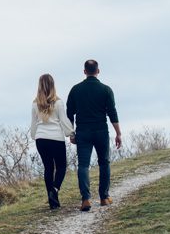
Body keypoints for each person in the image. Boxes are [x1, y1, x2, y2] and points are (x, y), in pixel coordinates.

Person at [66, 59, 121, 211]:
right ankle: (104, 197)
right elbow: (112, 113)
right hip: (101, 131)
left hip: (83, 132)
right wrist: (118, 133)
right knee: (104, 163)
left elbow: (69, 114)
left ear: (84, 71)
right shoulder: (106, 90)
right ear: (98, 71)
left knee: (83, 165)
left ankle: (86, 199)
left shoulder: (75, 90)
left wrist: (71, 133)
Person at [30, 73, 75, 209]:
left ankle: (52, 201)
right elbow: (64, 121)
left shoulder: (34, 104)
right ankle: (54, 191)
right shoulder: (58, 102)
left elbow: (33, 123)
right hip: (56, 138)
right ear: (52, 85)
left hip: (41, 139)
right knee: (61, 166)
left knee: (48, 168)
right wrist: (71, 133)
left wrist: (35, 136)